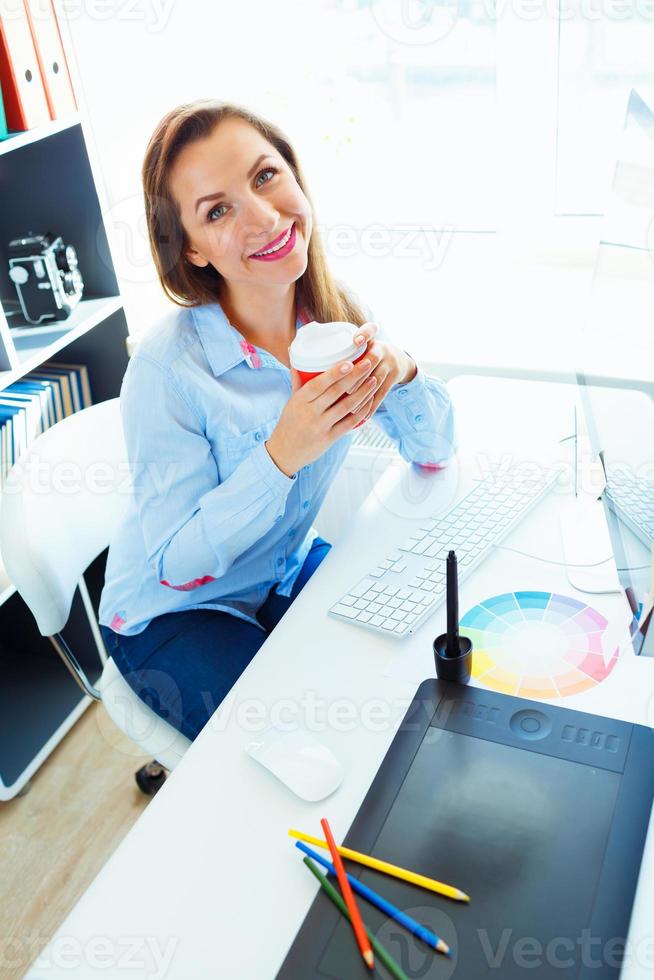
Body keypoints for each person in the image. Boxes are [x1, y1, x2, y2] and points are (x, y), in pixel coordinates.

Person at [98, 100, 455, 742]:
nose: (264, 217)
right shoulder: (166, 371)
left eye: (265, 176)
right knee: (306, 741)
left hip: (277, 569)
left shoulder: (337, 314)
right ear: (194, 253)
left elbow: (434, 451)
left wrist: (399, 368)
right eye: (217, 210)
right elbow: (178, 565)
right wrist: (280, 456)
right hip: (173, 611)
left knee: (402, 676)